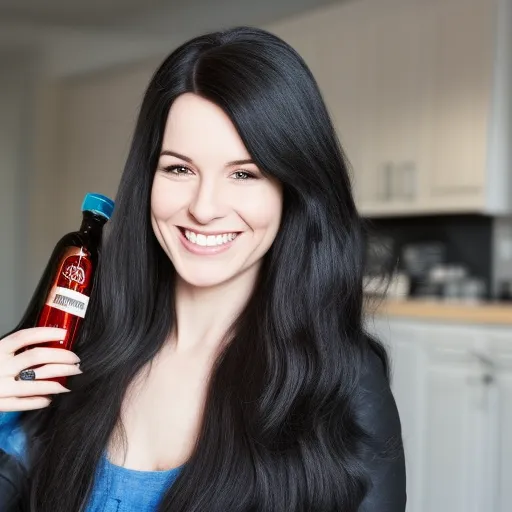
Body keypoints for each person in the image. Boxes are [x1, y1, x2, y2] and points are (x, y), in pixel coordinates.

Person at [0, 26, 406, 511]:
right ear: (146, 178)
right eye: (179, 169)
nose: (204, 207)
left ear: (294, 189)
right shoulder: (75, 339)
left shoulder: (345, 383)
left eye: (244, 173)